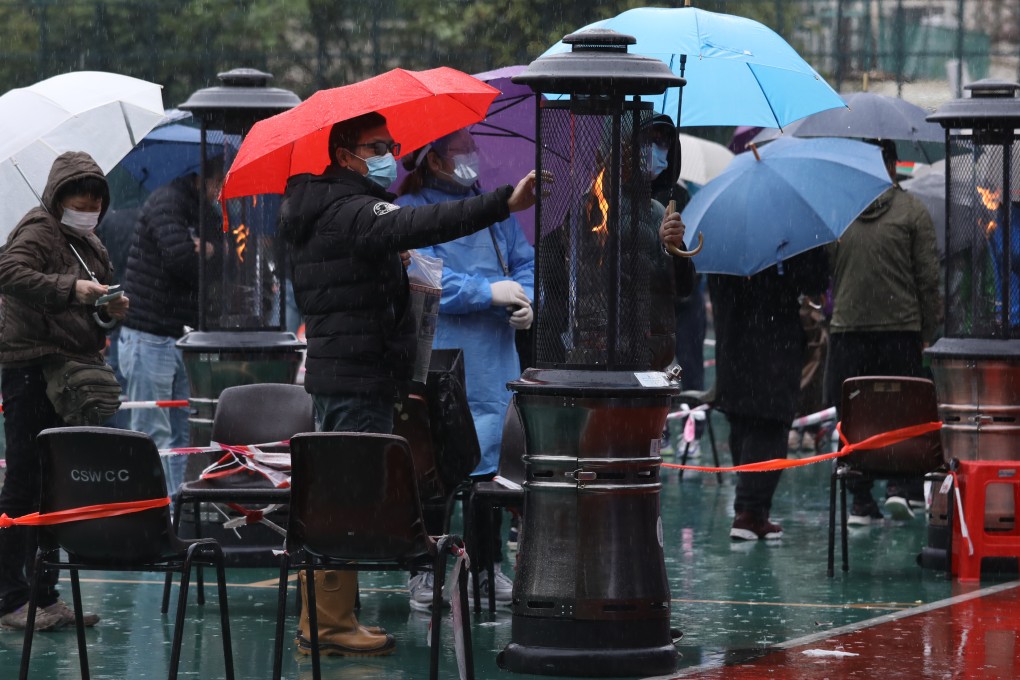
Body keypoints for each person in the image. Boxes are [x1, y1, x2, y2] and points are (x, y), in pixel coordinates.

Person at [278, 111, 539, 657]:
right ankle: (327, 622)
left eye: (392, 145)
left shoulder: (325, 210)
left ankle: (329, 616)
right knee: (346, 498)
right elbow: (417, 226)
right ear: (346, 153)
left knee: (341, 492)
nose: (389, 155)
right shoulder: (349, 207)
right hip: (357, 374)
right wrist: (500, 203)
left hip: (352, 372)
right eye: (378, 146)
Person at [394, 128, 535, 610]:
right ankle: (424, 571)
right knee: (432, 473)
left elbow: (524, 263)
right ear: (432, 160)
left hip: (495, 365)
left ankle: (486, 566)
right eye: (461, 149)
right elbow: (422, 276)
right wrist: (486, 292)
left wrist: (526, 299)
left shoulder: (495, 211)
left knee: (489, 473)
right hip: (440, 362)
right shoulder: (413, 213)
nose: (472, 156)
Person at [0, 151, 129, 630]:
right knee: (24, 483)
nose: (89, 205)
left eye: (96, 198)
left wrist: (105, 310)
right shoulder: (38, 229)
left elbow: (87, 303)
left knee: (54, 486)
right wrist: (72, 290)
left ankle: (45, 594)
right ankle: (11, 597)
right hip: (32, 370)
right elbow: (8, 272)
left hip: (71, 373)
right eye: (80, 196)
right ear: (57, 195)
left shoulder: (89, 242)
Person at [824, 139, 942, 525]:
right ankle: (901, 489)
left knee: (853, 417)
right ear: (893, 166)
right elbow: (927, 278)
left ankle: (859, 498)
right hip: (900, 332)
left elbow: (827, 269)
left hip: (847, 333)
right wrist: (929, 331)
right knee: (903, 415)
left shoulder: (839, 211)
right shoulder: (912, 211)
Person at [118, 158, 225, 498]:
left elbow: (223, 258)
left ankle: (175, 508)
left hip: (180, 336)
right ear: (203, 177)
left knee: (181, 439)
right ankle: (149, 510)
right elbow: (180, 258)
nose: (221, 191)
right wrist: (206, 253)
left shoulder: (202, 209)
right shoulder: (167, 201)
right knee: (151, 433)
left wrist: (208, 249)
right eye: (220, 181)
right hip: (150, 335)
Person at [708, 247, 829, 541]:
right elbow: (811, 279)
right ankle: (750, 513)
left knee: (743, 421)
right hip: (774, 345)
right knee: (770, 425)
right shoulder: (786, 232)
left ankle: (752, 511)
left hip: (733, 342)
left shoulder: (723, 235)